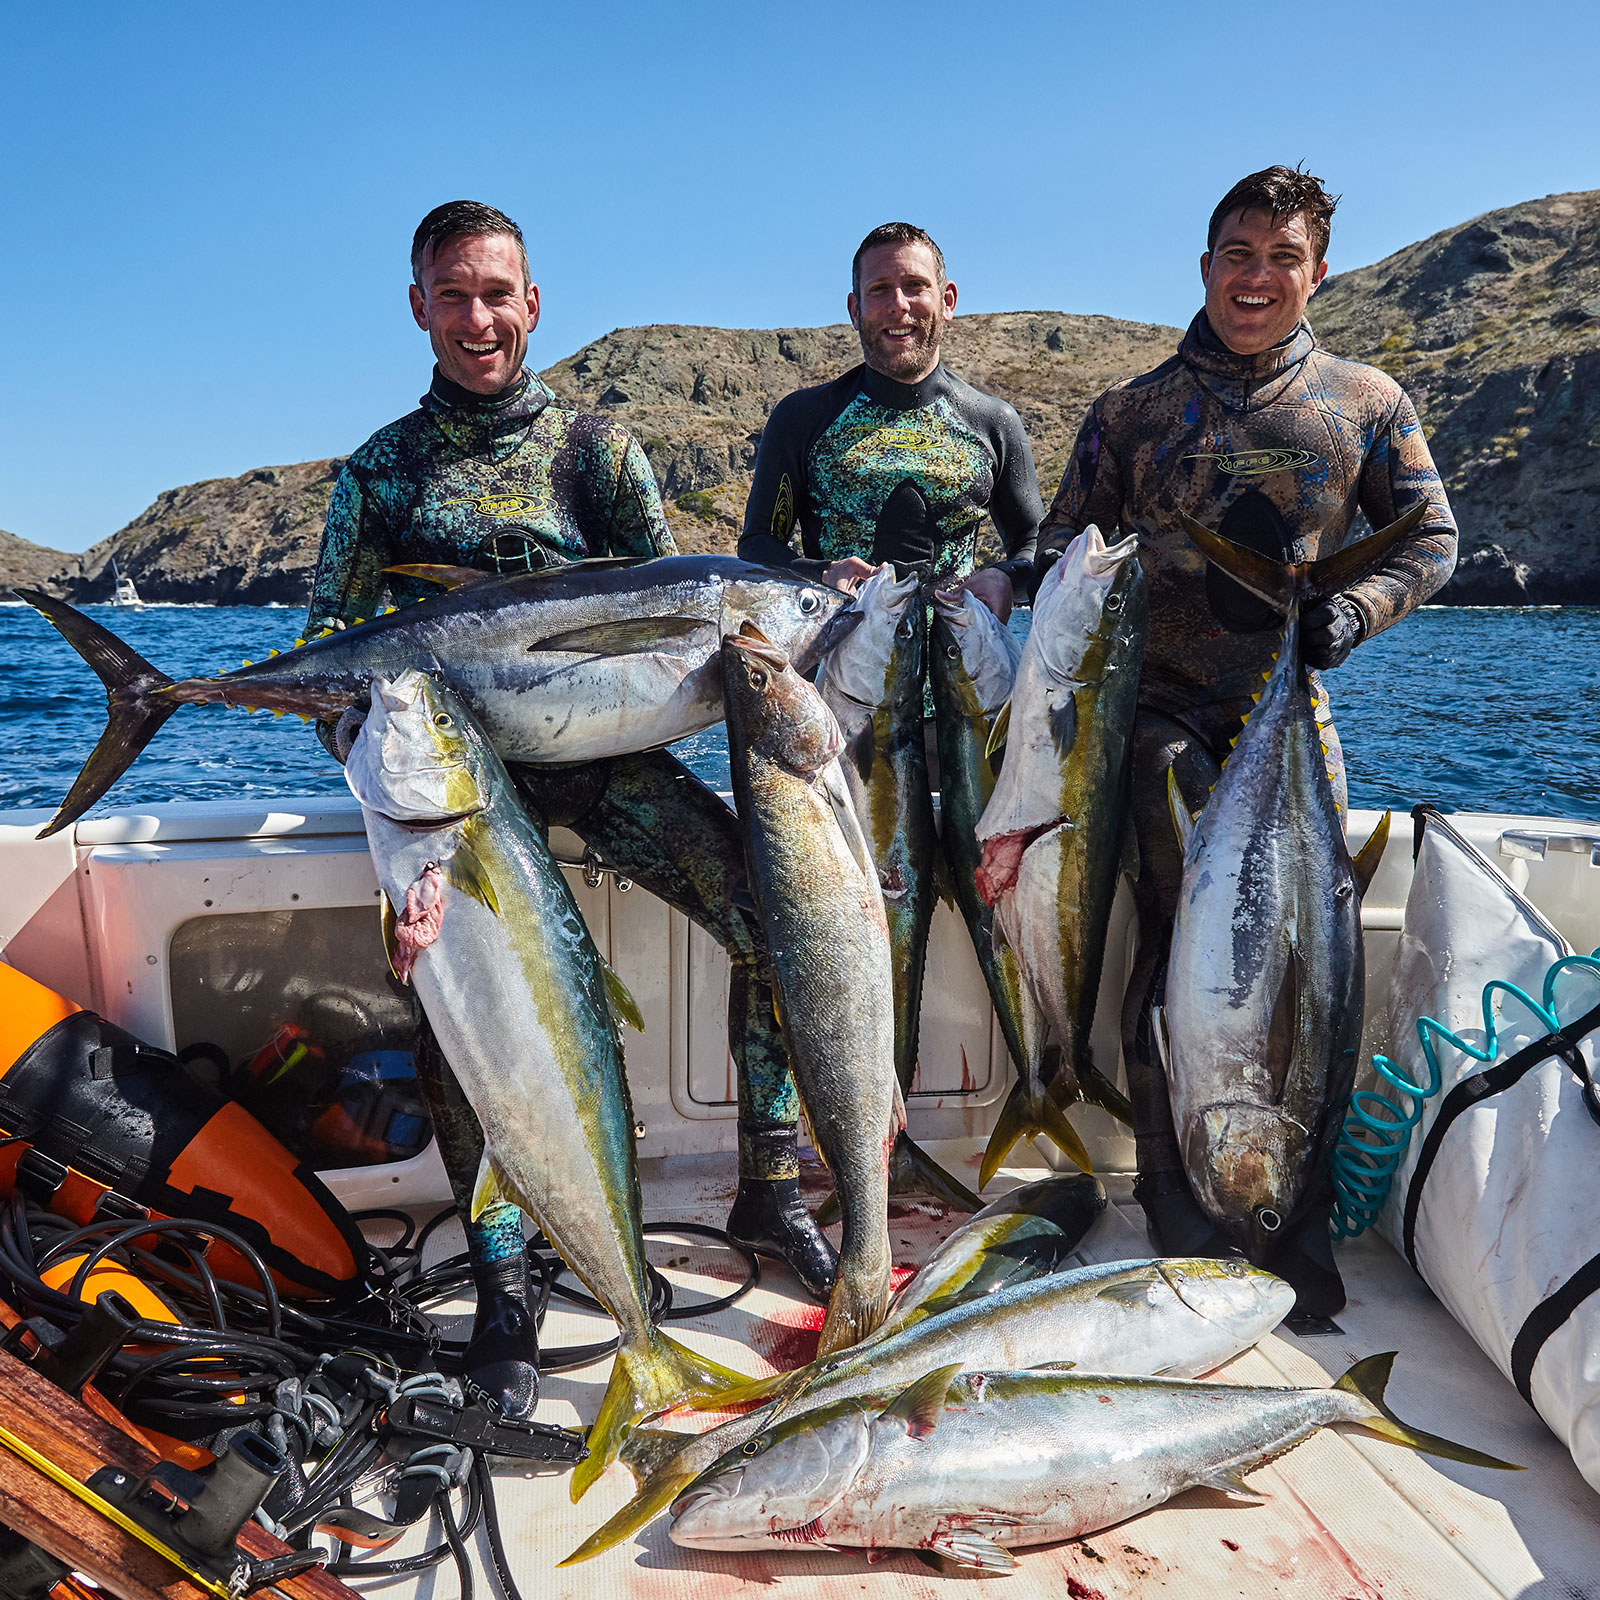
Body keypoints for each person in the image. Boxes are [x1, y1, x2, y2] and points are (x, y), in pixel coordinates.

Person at [307, 200, 834, 1419]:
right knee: (450, 1007)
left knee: (771, 916)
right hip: (456, 788)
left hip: (600, 762)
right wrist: (412, 840)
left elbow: (676, 618)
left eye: (499, 293)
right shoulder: (379, 474)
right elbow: (332, 657)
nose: (478, 318)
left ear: (532, 304)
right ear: (418, 306)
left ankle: (768, 1179)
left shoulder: (595, 449)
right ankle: (504, 1282)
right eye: (454, 293)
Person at [1036, 166, 1458, 1317]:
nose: (1256, 276)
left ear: (1315, 270)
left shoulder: (1365, 401)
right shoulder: (1131, 410)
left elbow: (1431, 540)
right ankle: (1182, 1200)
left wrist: (1352, 610)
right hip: (1157, 712)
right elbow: (1064, 541)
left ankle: (1292, 1220)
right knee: (1183, 946)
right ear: (1204, 263)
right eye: (1237, 253)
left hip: (1286, 706)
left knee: (1320, 973)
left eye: (1281, 256)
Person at [739, 222, 1042, 615]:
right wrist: (821, 574)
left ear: (947, 301)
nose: (898, 304)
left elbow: (1034, 541)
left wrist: (1005, 576)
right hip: (840, 666)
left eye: (916, 285)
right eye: (879, 289)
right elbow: (758, 544)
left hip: (963, 668)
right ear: (855, 309)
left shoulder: (992, 422)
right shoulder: (802, 419)